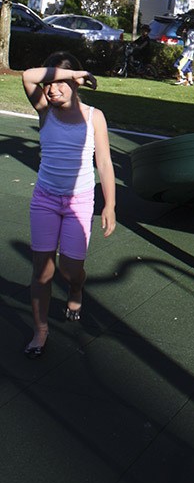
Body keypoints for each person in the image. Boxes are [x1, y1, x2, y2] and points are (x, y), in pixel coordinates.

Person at [22, 52, 116, 357]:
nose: (51, 89)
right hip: (45, 200)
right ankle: (41, 330)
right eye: (49, 83)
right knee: (43, 272)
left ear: (76, 83)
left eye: (60, 82)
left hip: (79, 201)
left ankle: (76, 289)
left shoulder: (94, 116)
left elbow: (103, 162)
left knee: (70, 270)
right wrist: (61, 75)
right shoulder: (44, 111)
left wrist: (110, 205)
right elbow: (27, 76)